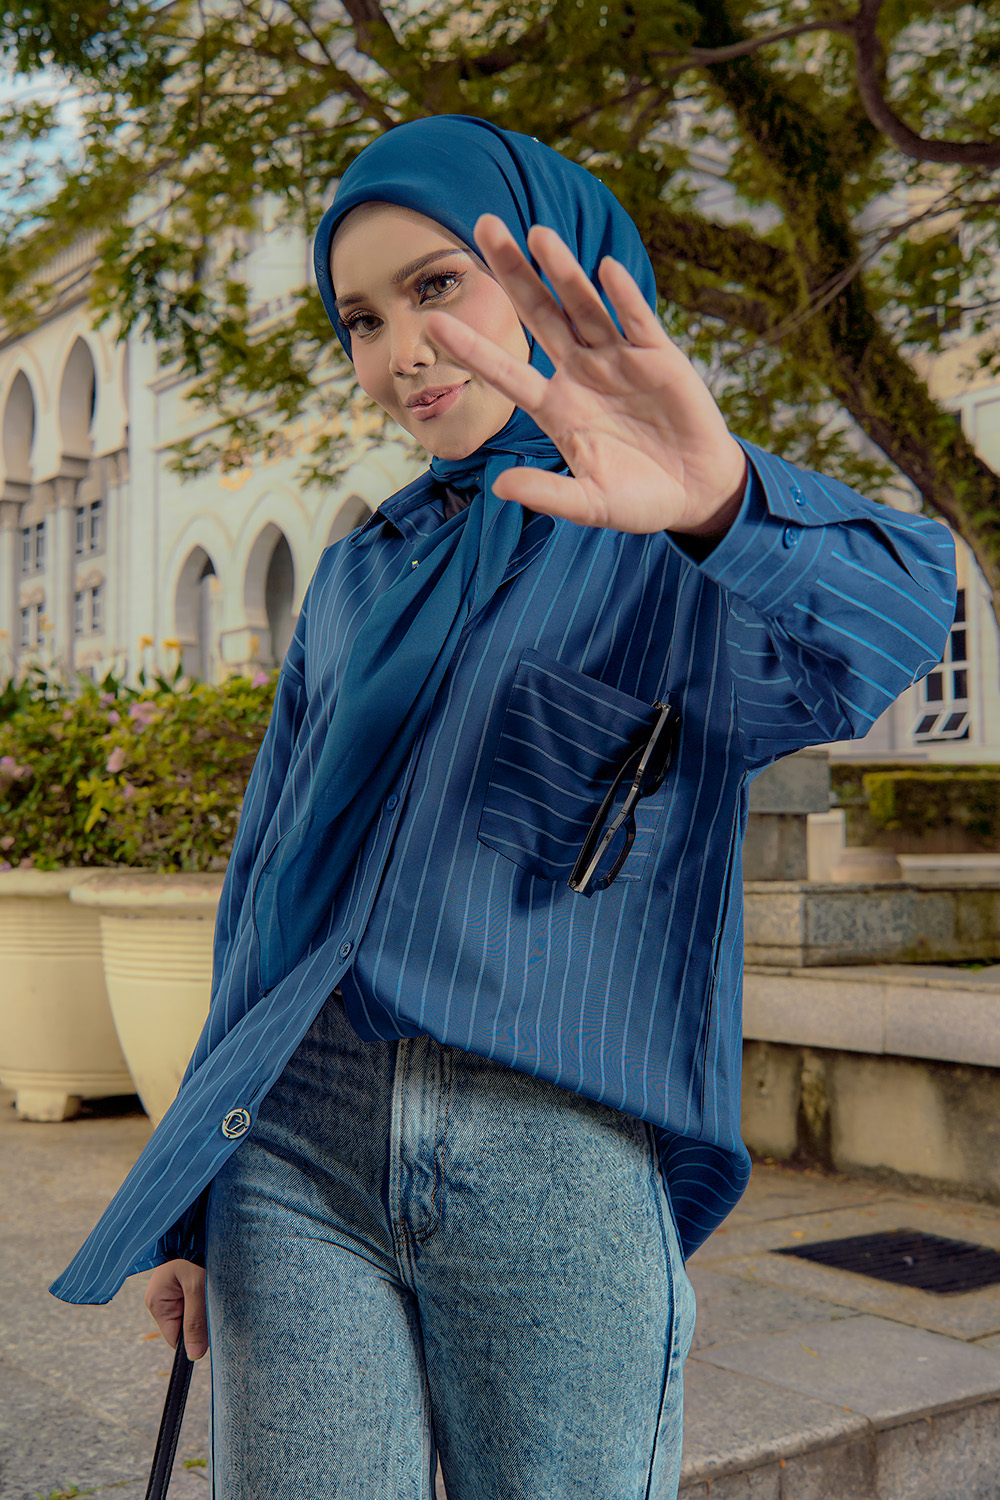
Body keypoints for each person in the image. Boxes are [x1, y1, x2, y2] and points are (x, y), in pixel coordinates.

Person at [50, 116, 956, 1499]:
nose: (400, 352)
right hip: (294, 1144)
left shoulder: (676, 543)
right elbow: (266, 888)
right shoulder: (359, 574)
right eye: (360, 320)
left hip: (554, 1145)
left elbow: (890, 626)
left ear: (556, 273)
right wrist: (188, 1201)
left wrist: (719, 501)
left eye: (437, 286)